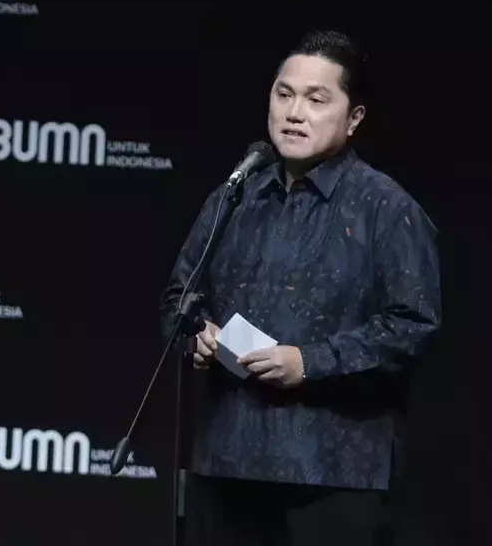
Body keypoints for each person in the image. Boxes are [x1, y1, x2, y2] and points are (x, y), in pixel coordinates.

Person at [160, 29, 442, 545]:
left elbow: (413, 326)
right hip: (227, 462)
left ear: (353, 117)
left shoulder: (386, 208)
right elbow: (179, 297)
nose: (294, 113)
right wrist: (196, 335)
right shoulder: (236, 195)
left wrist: (310, 362)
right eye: (284, 94)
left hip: (334, 474)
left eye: (316, 100)